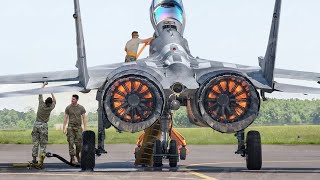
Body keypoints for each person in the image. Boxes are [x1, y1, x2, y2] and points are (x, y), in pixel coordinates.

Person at [31, 83, 56, 165]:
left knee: (35, 143)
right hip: (43, 126)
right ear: (50, 103)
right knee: (43, 145)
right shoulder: (50, 108)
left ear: (45, 101)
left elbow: (40, 92)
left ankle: (34, 160)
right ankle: (41, 161)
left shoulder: (41, 104)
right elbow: (55, 101)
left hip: (36, 125)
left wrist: (44, 85)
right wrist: (51, 92)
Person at [63, 94, 87, 164]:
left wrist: (85, 128)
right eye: (71, 99)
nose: (72, 100)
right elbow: (65, 118)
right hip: (70, 127)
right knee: (71, 143)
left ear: (77, 100)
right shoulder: (68, 108)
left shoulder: (81, 108)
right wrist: (64, 127)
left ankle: (77, 154)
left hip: (78, 127)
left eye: (73, 99)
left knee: (79, 144)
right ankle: (72, 157)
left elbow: (84, 118)